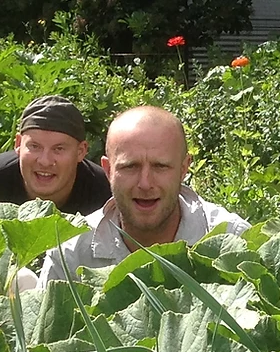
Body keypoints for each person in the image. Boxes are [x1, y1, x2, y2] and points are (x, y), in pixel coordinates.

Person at [41, 105, 248, 282]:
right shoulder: (71, 254)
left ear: (184, 168)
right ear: (108, 170)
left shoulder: (233, 240)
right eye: (130, 167)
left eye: (160, 166)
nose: (145, 183)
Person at [0, 95, 111, 215]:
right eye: (34, 146)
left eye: (59, 149)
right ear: (18, 144)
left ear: (81, 151)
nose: (45, 161)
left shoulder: (105, 196)